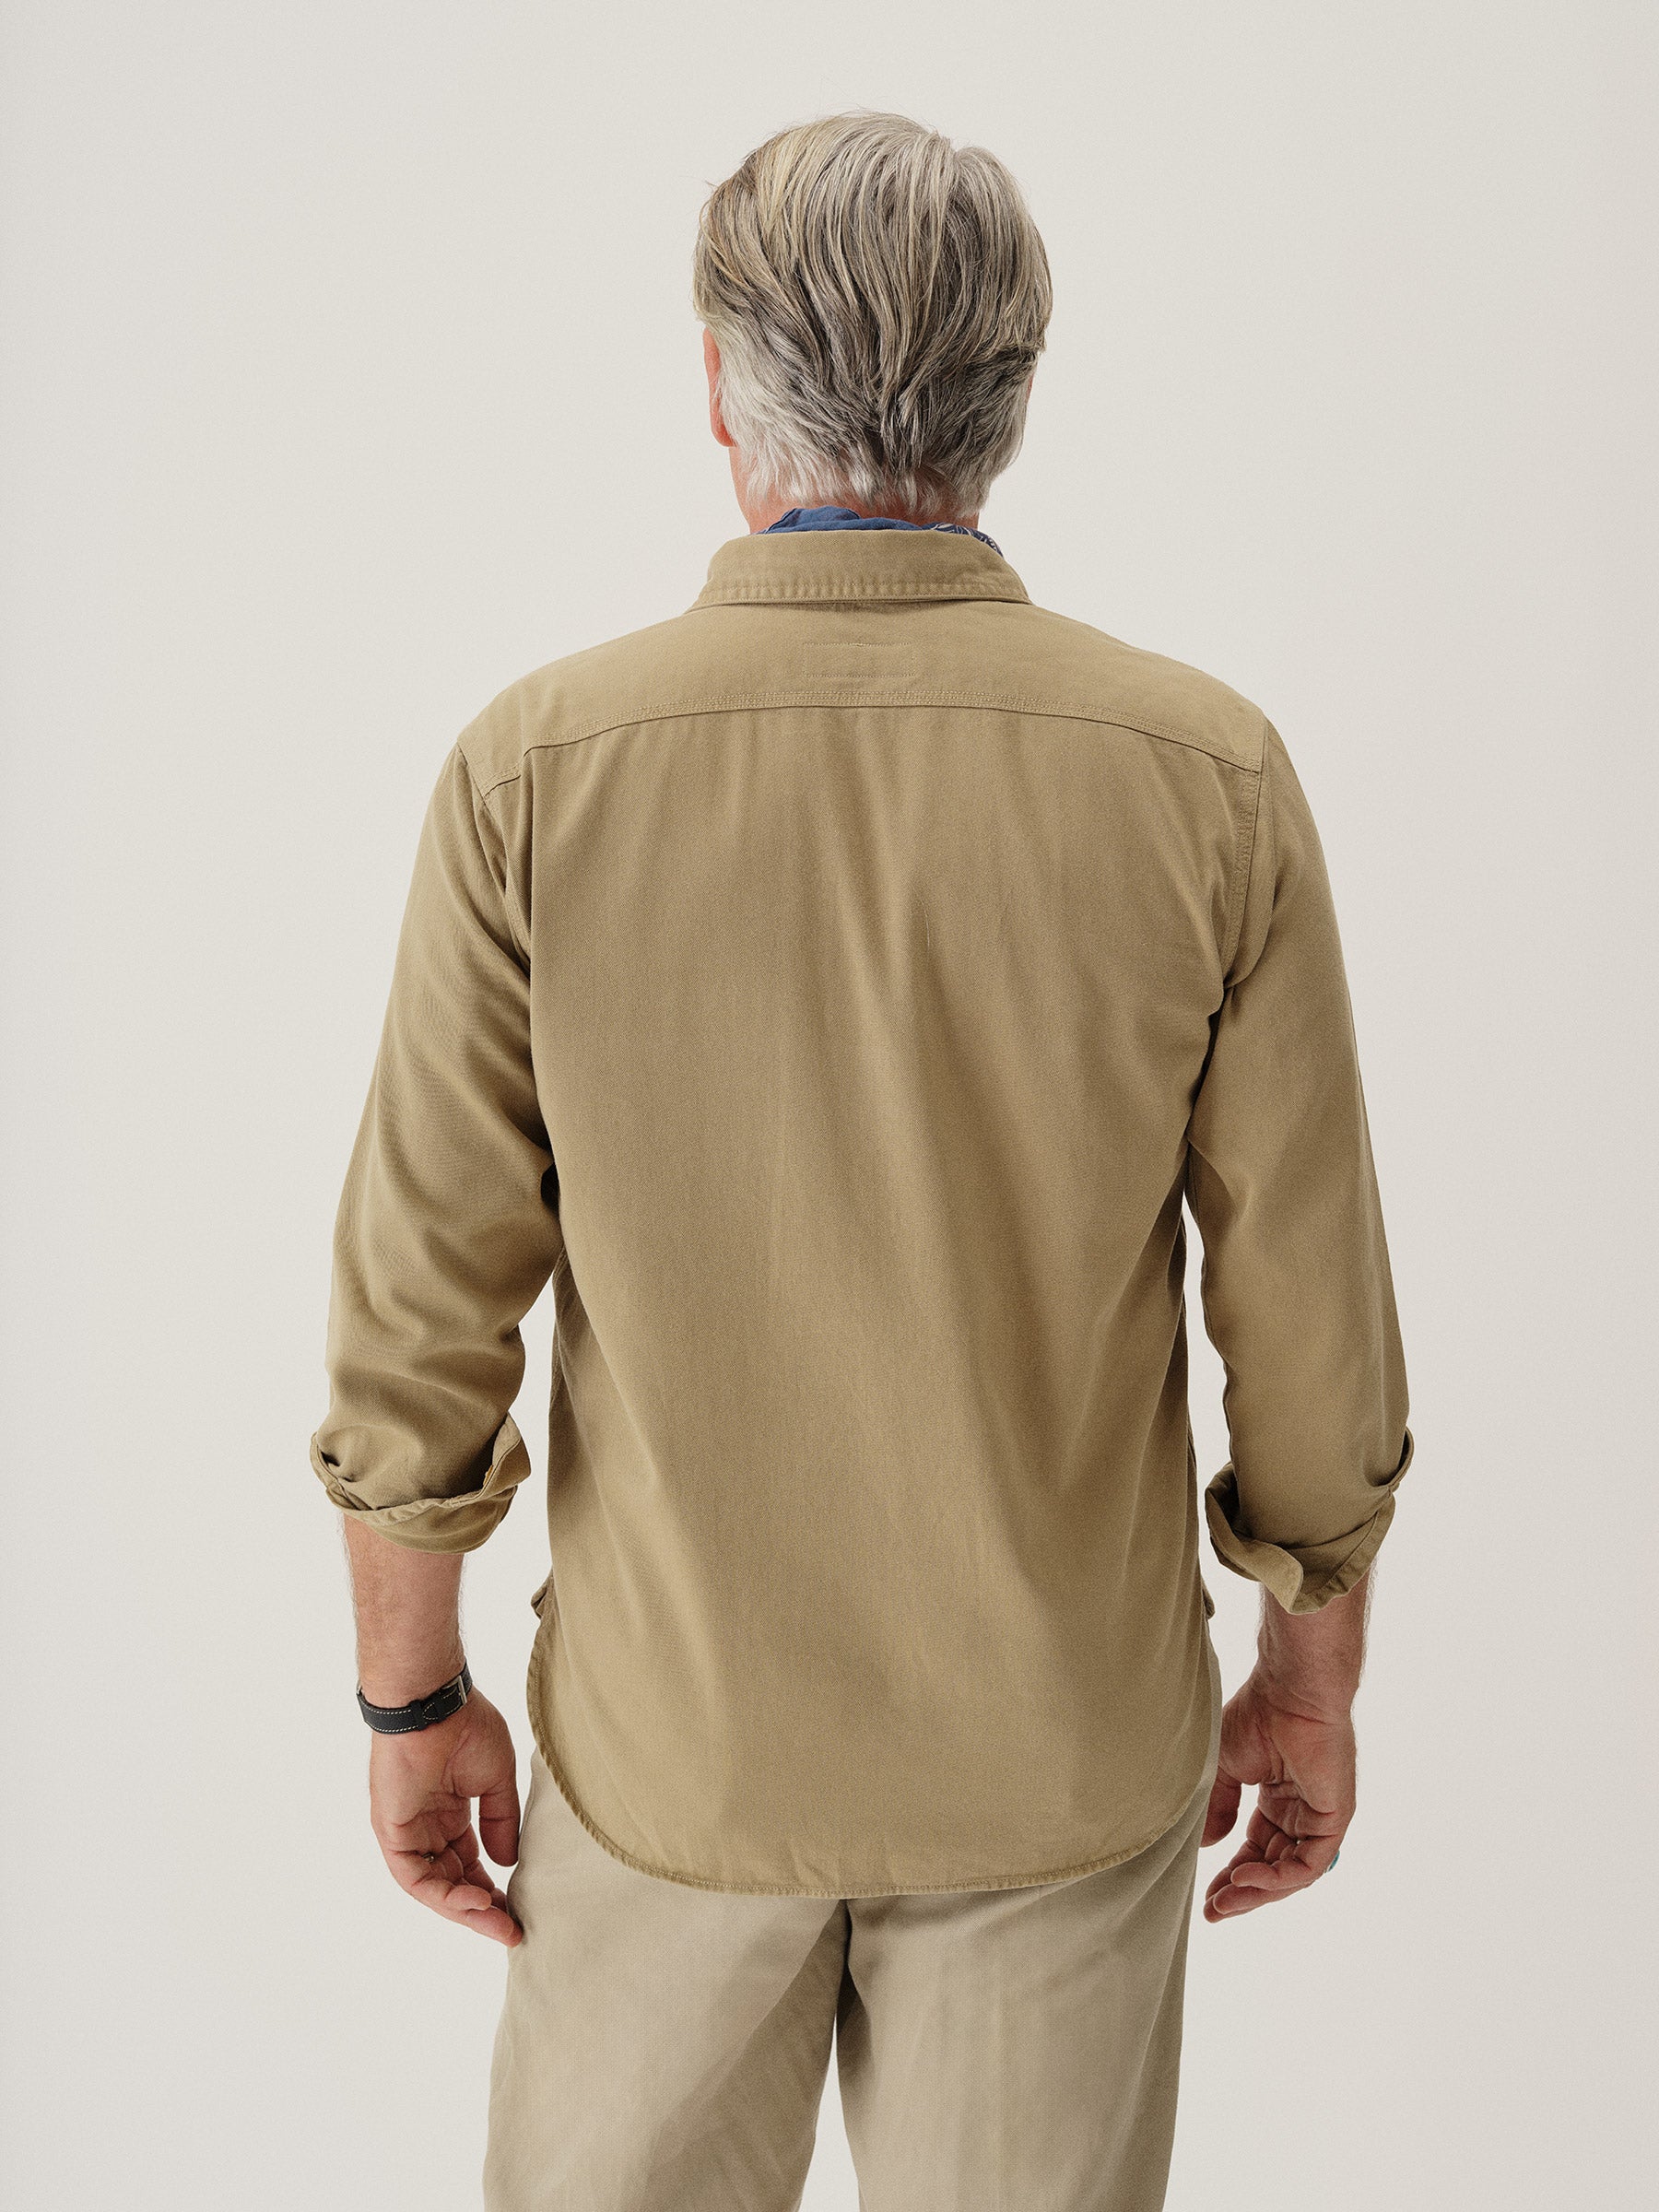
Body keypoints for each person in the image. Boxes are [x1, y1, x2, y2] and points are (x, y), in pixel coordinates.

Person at [310, 109, 1414, 2212]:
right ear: (1012, 399)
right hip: (1058, 1762)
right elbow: (1311, 1316)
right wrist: (1309, 1677)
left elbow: (419, 1304)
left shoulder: (540, 774)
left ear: (721, 395)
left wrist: (410, 1698)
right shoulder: (1202, 777)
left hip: (671, 1759)